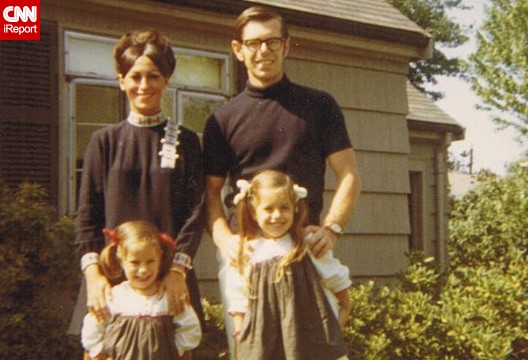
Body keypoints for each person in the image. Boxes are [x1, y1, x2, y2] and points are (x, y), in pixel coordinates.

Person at [202, 5, 361, 349]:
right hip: (246, 257)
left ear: (287, 46)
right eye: (254, 43)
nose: (264, 51)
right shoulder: (223, 120)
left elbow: (348, 173)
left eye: (273, 42)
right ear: (238, 50)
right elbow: (211, 192)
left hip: (303, 251)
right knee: (251, 350)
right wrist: (223, 238)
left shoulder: (319, 106)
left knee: (314, 350)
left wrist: (331, 229)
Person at [71, 29, 205, 336]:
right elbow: (87, 214)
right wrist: (93, 274)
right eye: (135, 77)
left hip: (169, 278)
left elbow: (196, 214)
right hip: (112, 277)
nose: (144, 85)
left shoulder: (186, 142)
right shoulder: (103, 141)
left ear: (166, 80)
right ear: (121, 81)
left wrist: (177, 270)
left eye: (153, 76)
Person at [226, 170, 351, 360]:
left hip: (311, 342)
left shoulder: (306, 244)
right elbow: (239, 300)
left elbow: (337, 280)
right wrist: (240, 341)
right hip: (264, 344)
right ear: (253, 211)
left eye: (284, 207)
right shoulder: (248, 252)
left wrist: (342, 314)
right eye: (268, 209)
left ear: (295, 208)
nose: (277, 215)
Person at [81, 221, 202, 360]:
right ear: (121, 261)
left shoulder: (167, 297)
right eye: (135, 262)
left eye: (150, 261)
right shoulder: (115, 297)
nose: (143, 270)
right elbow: (93, 327)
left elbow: (189, 327)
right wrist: (98, 352)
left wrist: (177, 350)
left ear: (160, 258)